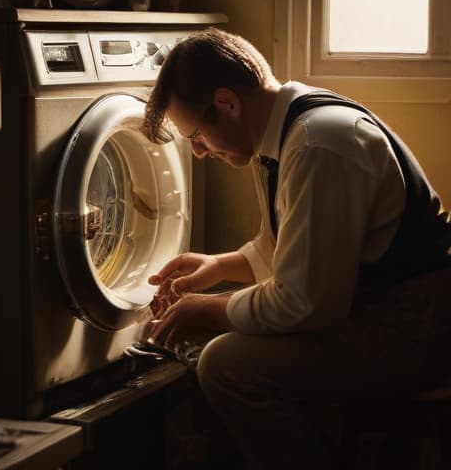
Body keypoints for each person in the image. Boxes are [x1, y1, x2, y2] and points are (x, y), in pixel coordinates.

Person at [140, 27, 451, 469]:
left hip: (415, 330)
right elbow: (296, 247)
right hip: (387, 313)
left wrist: (210, 310)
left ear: (226, 103)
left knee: (227, 365)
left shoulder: (317, 145)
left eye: (195, 134)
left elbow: (308, 302)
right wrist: (218, 265)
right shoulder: (286, 127)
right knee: (235, 332)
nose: (199, 152)